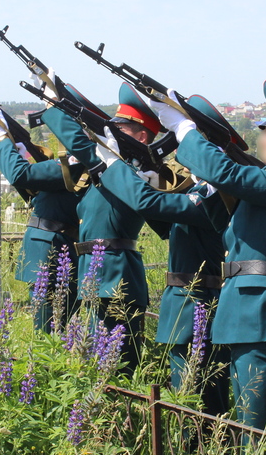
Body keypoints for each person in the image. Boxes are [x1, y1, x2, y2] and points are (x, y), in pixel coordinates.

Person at [150, 79, 266, 433]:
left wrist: (186, 132)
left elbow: (232, 174)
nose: (263, 138)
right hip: (244, 315)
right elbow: (230, 227)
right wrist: (209, 185)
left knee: (262, 434)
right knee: (243, 429)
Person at [94, 94, 233, 416]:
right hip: (184, 302)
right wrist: (150, 177)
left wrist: (116, 166)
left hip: (199, 302)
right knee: (186, 399)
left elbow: (149, 205)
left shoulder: (216, 195)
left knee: (201, 403)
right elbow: (163, 221)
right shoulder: (199, 190)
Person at [42, 82, 164, 376]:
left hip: (115, 274)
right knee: (99, 363)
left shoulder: (132, 172)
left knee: (116, 365)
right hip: (95, 273)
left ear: (142, 135)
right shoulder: (113, 169)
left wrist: (52, 105)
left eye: (122, 127)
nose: (114, 132)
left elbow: (81, 145)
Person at [0, 113, 84, 332]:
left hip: (53, 250)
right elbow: (37, 196)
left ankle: (46, 367)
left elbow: (21, 175)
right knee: (51, 324)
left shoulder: (76, 164)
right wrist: (21, 153)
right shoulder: (79, 164)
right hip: (53, 247)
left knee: (49, 328)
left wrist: (2, 140)